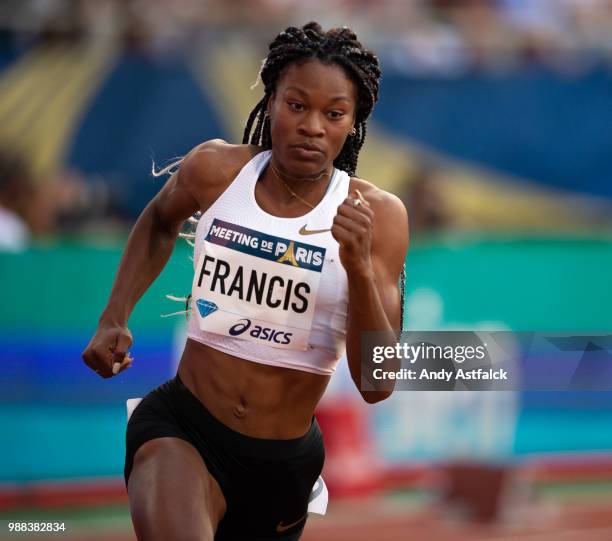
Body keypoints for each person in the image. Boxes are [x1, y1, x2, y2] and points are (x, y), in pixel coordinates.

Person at [82, 22, 409, 541]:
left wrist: (360, 268)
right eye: (296, 105)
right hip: (181, 430)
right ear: (271, 100)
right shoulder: (215, 170)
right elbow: (160, 220)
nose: (312, 126)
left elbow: (377, 383)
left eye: (334, 113)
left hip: (282, 466)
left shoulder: (379, 217)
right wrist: (113, 315)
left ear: (353, 123)